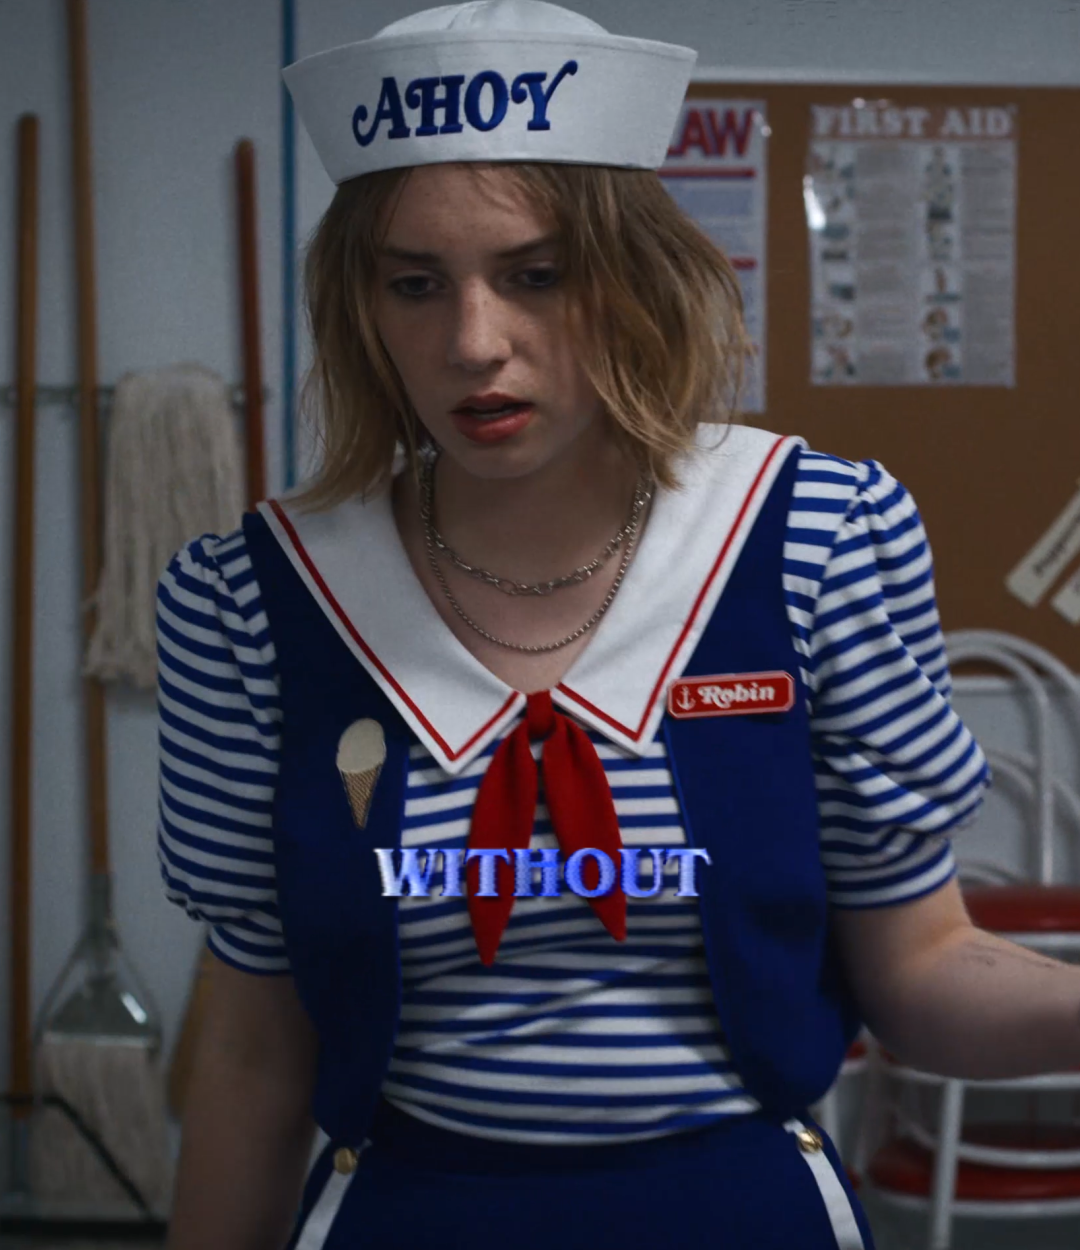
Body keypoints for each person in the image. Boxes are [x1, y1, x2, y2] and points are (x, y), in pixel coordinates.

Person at [155, 4, 1080, 1248]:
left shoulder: (813, 539)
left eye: (536, 275)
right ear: (360, 306)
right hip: (412, 1209)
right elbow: (255, 1050)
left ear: (634, 273)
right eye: (415, 285)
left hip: (743, 1209)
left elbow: (916, 968)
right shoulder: (257, 600)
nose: (474, 343)